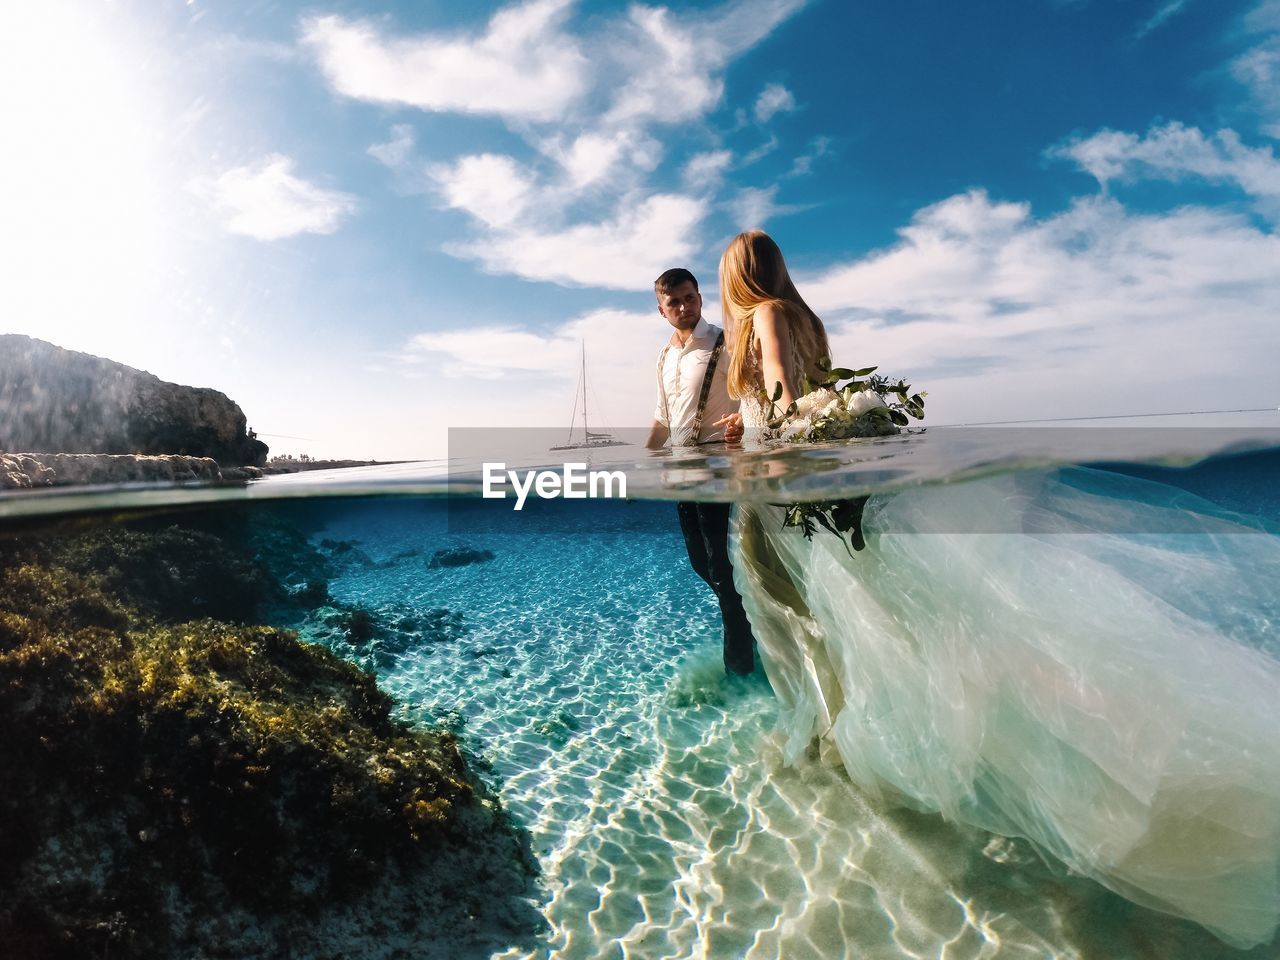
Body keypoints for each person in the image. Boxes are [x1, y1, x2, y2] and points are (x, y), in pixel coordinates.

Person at [715, 230, 1280, 949]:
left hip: (782, 495)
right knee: (854, 615)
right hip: (799, 492)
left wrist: (763, 441)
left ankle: (833, 739)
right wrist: (754, 420)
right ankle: (838, 733)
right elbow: (802, 396)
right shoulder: (804, 316)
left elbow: (792, 409)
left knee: (812, 616)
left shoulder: (761, 317)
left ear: (738, 272)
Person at [646, 267, 755, 676]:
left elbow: (753, 393)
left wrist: (742, 422)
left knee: (720, 567)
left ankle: (740, 663)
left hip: (717, 465)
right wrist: (641, 466)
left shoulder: (724, 343)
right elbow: (661, 418)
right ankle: (748, 617)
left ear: (700, 298)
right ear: (662, 310)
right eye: (674, 302)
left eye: (690, 297)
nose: (684, 306)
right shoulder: (664, 356)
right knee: (700, 564)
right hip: (681, 466)